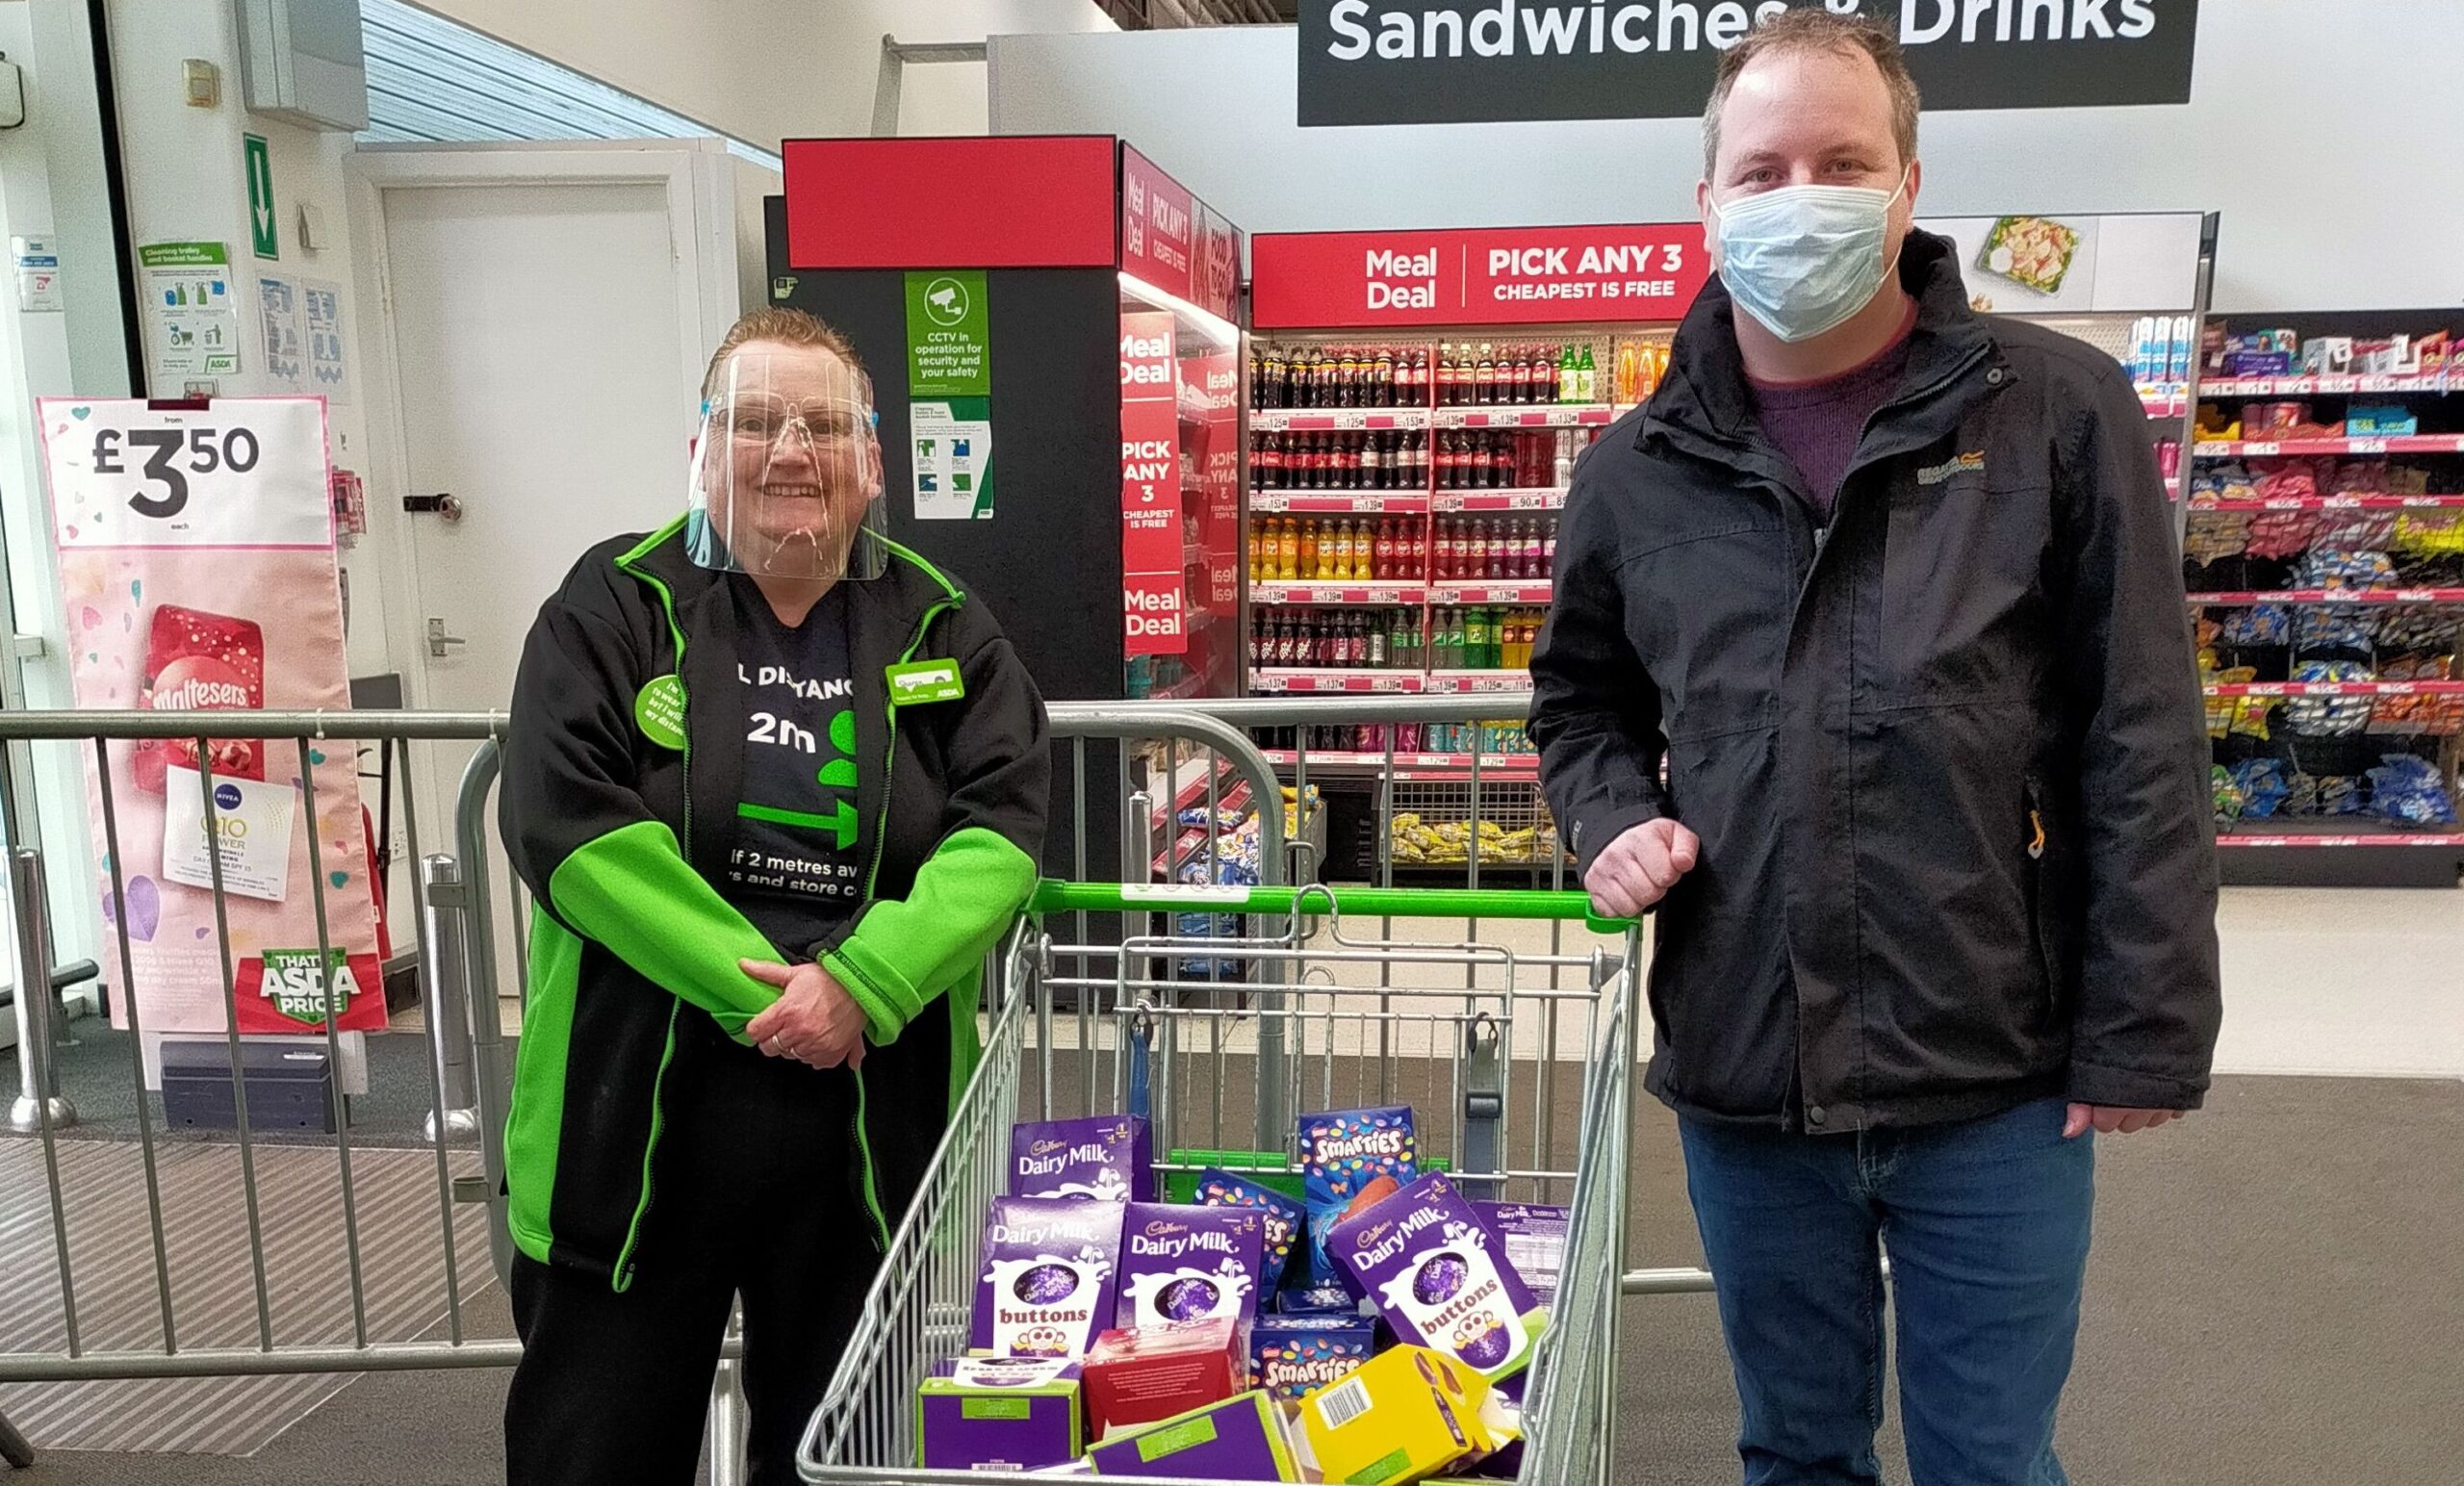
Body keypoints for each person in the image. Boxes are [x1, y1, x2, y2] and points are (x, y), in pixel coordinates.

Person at [1528, 13, 2220, 1484]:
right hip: (1745, 1061)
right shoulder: (1634, 467)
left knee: (1990, 1460)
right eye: (1762, 168)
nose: (1801, 197)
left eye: (1842, 162)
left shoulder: (2053, 411)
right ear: (1707, 205)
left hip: (1997, 1073)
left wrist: (2144, 1024)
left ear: (1908, 188)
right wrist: (1604, 821)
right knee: (1795, 1452)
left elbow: (2142, 733)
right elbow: (1581, 703)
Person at [496, 307, 1049, 1485]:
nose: (790, 448)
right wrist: (773, 990)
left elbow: (999, 834)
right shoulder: (612, 605)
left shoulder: (945, 622)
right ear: (698, 450)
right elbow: (569, 824)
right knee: (591, 1456)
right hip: (628, 1148)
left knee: (843, 1461)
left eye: (824, 424)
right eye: (753, 419)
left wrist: (862, 981)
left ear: (872, 463)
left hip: (864, 1152)